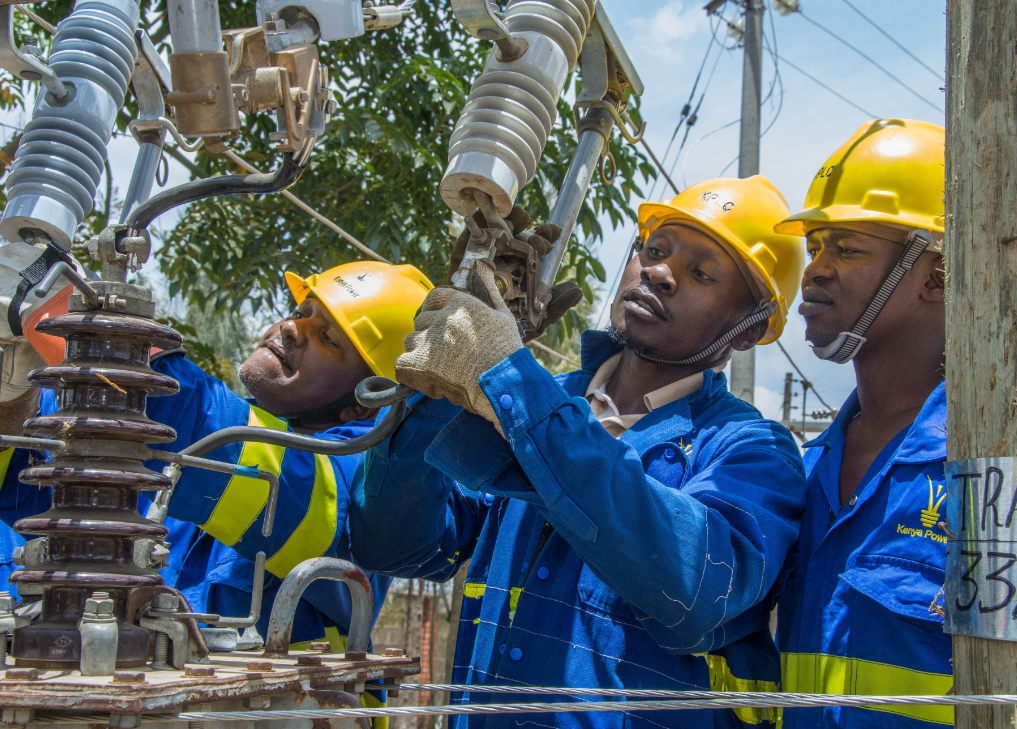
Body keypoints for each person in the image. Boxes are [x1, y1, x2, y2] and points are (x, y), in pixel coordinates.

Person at [349, 176, 808, 728]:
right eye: (654, 251)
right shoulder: (535, 399)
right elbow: (394, 545)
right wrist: (445, 386)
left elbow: (695, 591)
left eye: (701, 273)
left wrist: (509, 381)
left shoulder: (750, 451)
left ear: (747, 328)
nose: (660, 273)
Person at [0, 260, 433, 652]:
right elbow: (34, 485)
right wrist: (14, 393)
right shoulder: (195, 448)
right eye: (303, 312)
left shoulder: (373, 483)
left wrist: (94, 337)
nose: (289, 328)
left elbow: (257, 463)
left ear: (364, 403)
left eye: (328, 338)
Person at [772, 118, 952, 728]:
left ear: (936, 274)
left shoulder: (988, 465)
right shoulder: (807, 468)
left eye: (846, 249)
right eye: (815, 246)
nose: (815, 269)